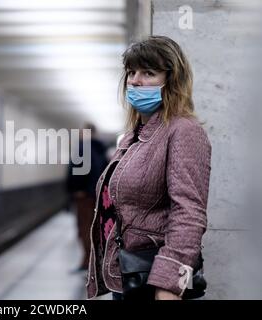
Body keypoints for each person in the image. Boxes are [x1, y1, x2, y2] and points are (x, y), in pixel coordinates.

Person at [85, 35, 212, 300]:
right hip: (130, 276)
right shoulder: (135, 136)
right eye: (131, 72)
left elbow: (188, 213)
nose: (135, 80)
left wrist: (169, 285)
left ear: (171, 81)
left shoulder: (183, 131)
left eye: (149, 72)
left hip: (156, 284)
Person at [66, 123, 108, 271]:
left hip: (85, 194)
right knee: (93, 227)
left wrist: (78, 189)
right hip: (97, 194)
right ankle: (93, 260)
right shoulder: (100, 149)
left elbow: (78, 169)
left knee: (84, 228)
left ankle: (89, 262)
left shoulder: (84, 148)